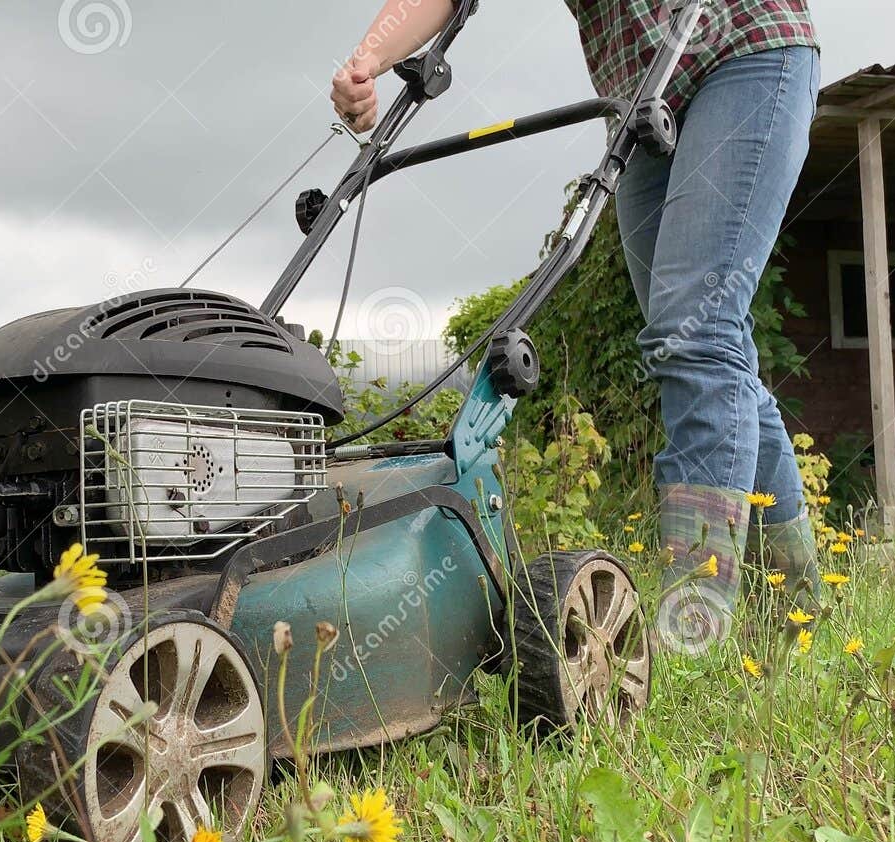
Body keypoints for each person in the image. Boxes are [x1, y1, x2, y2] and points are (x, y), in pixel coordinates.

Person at [331, 0, 821, 647]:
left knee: (696, 335)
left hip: (747, 45)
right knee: (704, 341)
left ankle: (693, 631)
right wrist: (368, 59)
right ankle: (800, 610)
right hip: (647, 93)